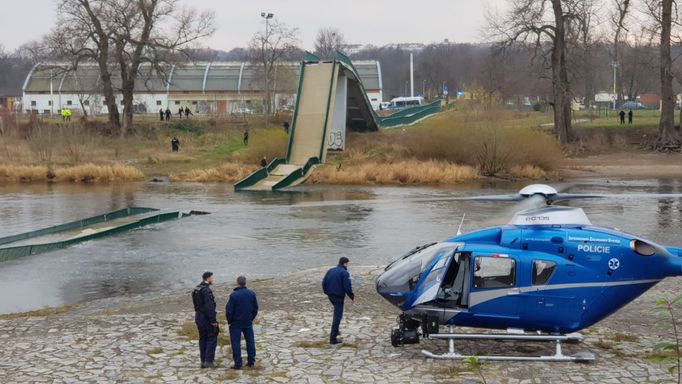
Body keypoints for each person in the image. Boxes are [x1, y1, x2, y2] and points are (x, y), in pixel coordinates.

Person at [226, 275, 259, 370]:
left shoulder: (234, 295)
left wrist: (230, 321)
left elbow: (229, 310)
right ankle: (251, 362)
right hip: (247, 321)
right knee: (250, 342)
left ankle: (238, 363)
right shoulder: (251, 293)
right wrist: (251, 318)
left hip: (236, 323)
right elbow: (255, 308)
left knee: (236, 343)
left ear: (237, 283)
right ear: (245, 282)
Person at [322, 257, 354, 344]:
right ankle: (333, 338)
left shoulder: (331, 270)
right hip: (338, 297)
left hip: (330, 295)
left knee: (336, 313)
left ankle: (336, 330)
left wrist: (326, 292)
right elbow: (347, 287)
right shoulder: (344, 273)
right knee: (337, 317)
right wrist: (351, 296)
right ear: (345, 263)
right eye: (347, 264)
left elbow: (324, 282)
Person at [192, 272, 219, 369]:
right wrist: (213, 320)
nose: (213, 279)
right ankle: (209, 361)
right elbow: (209, 306)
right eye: (212, 278)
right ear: (208, 278)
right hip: (206, 318)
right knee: (211, 338)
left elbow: (195, 304)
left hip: (198, 316)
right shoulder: (206, 290)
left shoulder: (196, 289)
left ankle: (203, 360)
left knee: (202, 338)